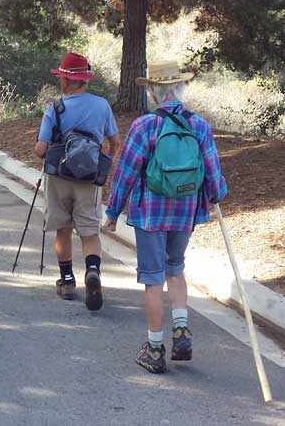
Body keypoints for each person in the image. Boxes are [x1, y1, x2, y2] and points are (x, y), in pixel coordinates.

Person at [104, 61, 227, 374]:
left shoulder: (145, 126)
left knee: (152, 277)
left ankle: (155, 348)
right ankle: (182, 330)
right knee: (176, 268)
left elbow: (126, 172)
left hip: (150, 213)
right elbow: (213, 171)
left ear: (152, 91)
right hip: (186, 211)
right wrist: (215, 195)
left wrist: (112, 211)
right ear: (181, 88)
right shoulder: (199, 125)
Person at [34, 52, 122, 309]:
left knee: (62, 228)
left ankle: (67, 280)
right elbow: (115, 142)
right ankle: (92, 272)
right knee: (89, 231)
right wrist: (103, 163)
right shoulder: (102, 105)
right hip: (89, 179)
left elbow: (41, 149)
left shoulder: (55, 109)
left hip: (59, 178)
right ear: (84, 80)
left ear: (64, 80)